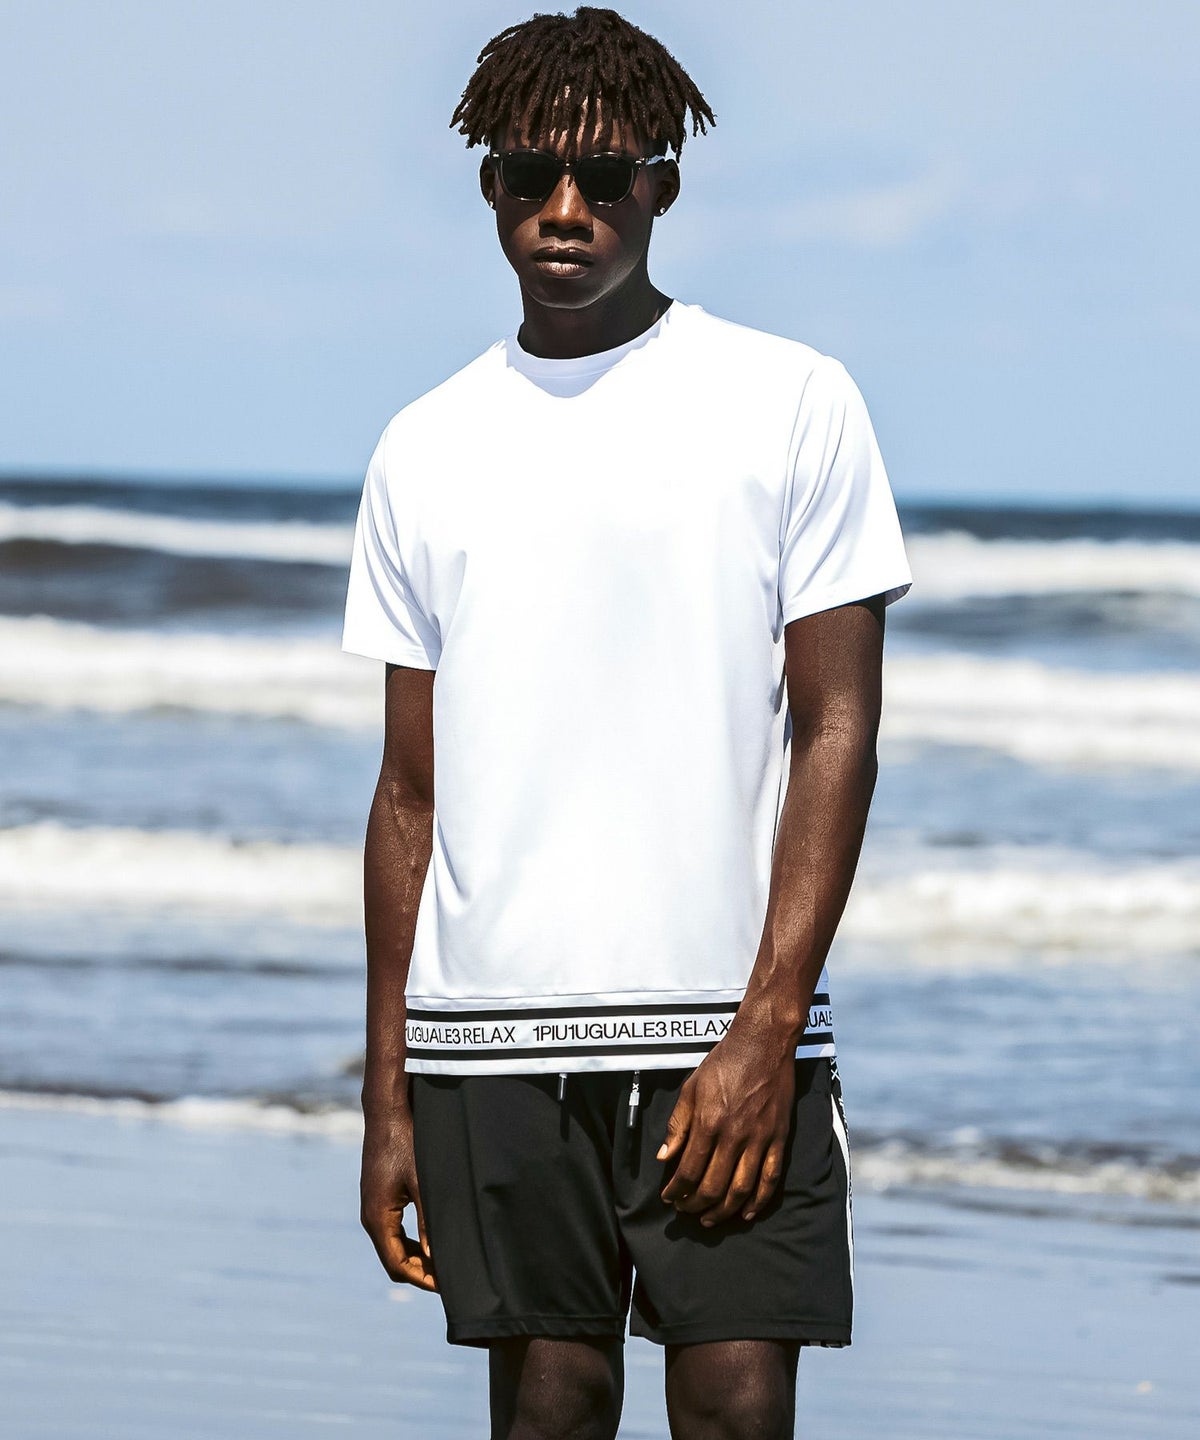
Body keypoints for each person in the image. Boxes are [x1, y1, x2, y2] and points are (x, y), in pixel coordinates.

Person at [342, 8, 912, 1437]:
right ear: (488, 186)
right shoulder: (424, 445)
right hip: (487, 1044)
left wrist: (767, 1028)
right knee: (551, 1411)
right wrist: (388, 1097)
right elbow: (408, 794)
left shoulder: (791, 402)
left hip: (722, 1032)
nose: (565, 210)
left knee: (735, 1410)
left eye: (605, 178)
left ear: (664, 186)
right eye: (527, 175)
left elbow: (838, 729)